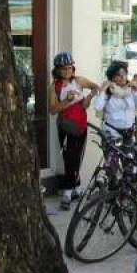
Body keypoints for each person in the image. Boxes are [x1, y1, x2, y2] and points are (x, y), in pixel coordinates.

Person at [48, 51, 99, 209]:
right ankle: (76, 188)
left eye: (69, 67)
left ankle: (68, 192)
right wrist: (66, 100)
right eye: (63, 68)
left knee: (74, 158)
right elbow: (53, 110)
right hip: (64, 126)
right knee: (68, 158)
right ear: (57, 70)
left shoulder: (79, 81)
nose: (67, 71)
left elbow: (96, 87)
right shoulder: (54, 87)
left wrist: (88, 99)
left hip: (79, 127)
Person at [93, 60, 137, 143]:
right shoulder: (108, 91)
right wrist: (104, 89)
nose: (122, 77)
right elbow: (97, 107)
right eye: (118, 75)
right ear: (112, 77)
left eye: (124, 74)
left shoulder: (131, 90)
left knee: (129, 156)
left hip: (129, 134)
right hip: (112, 135)